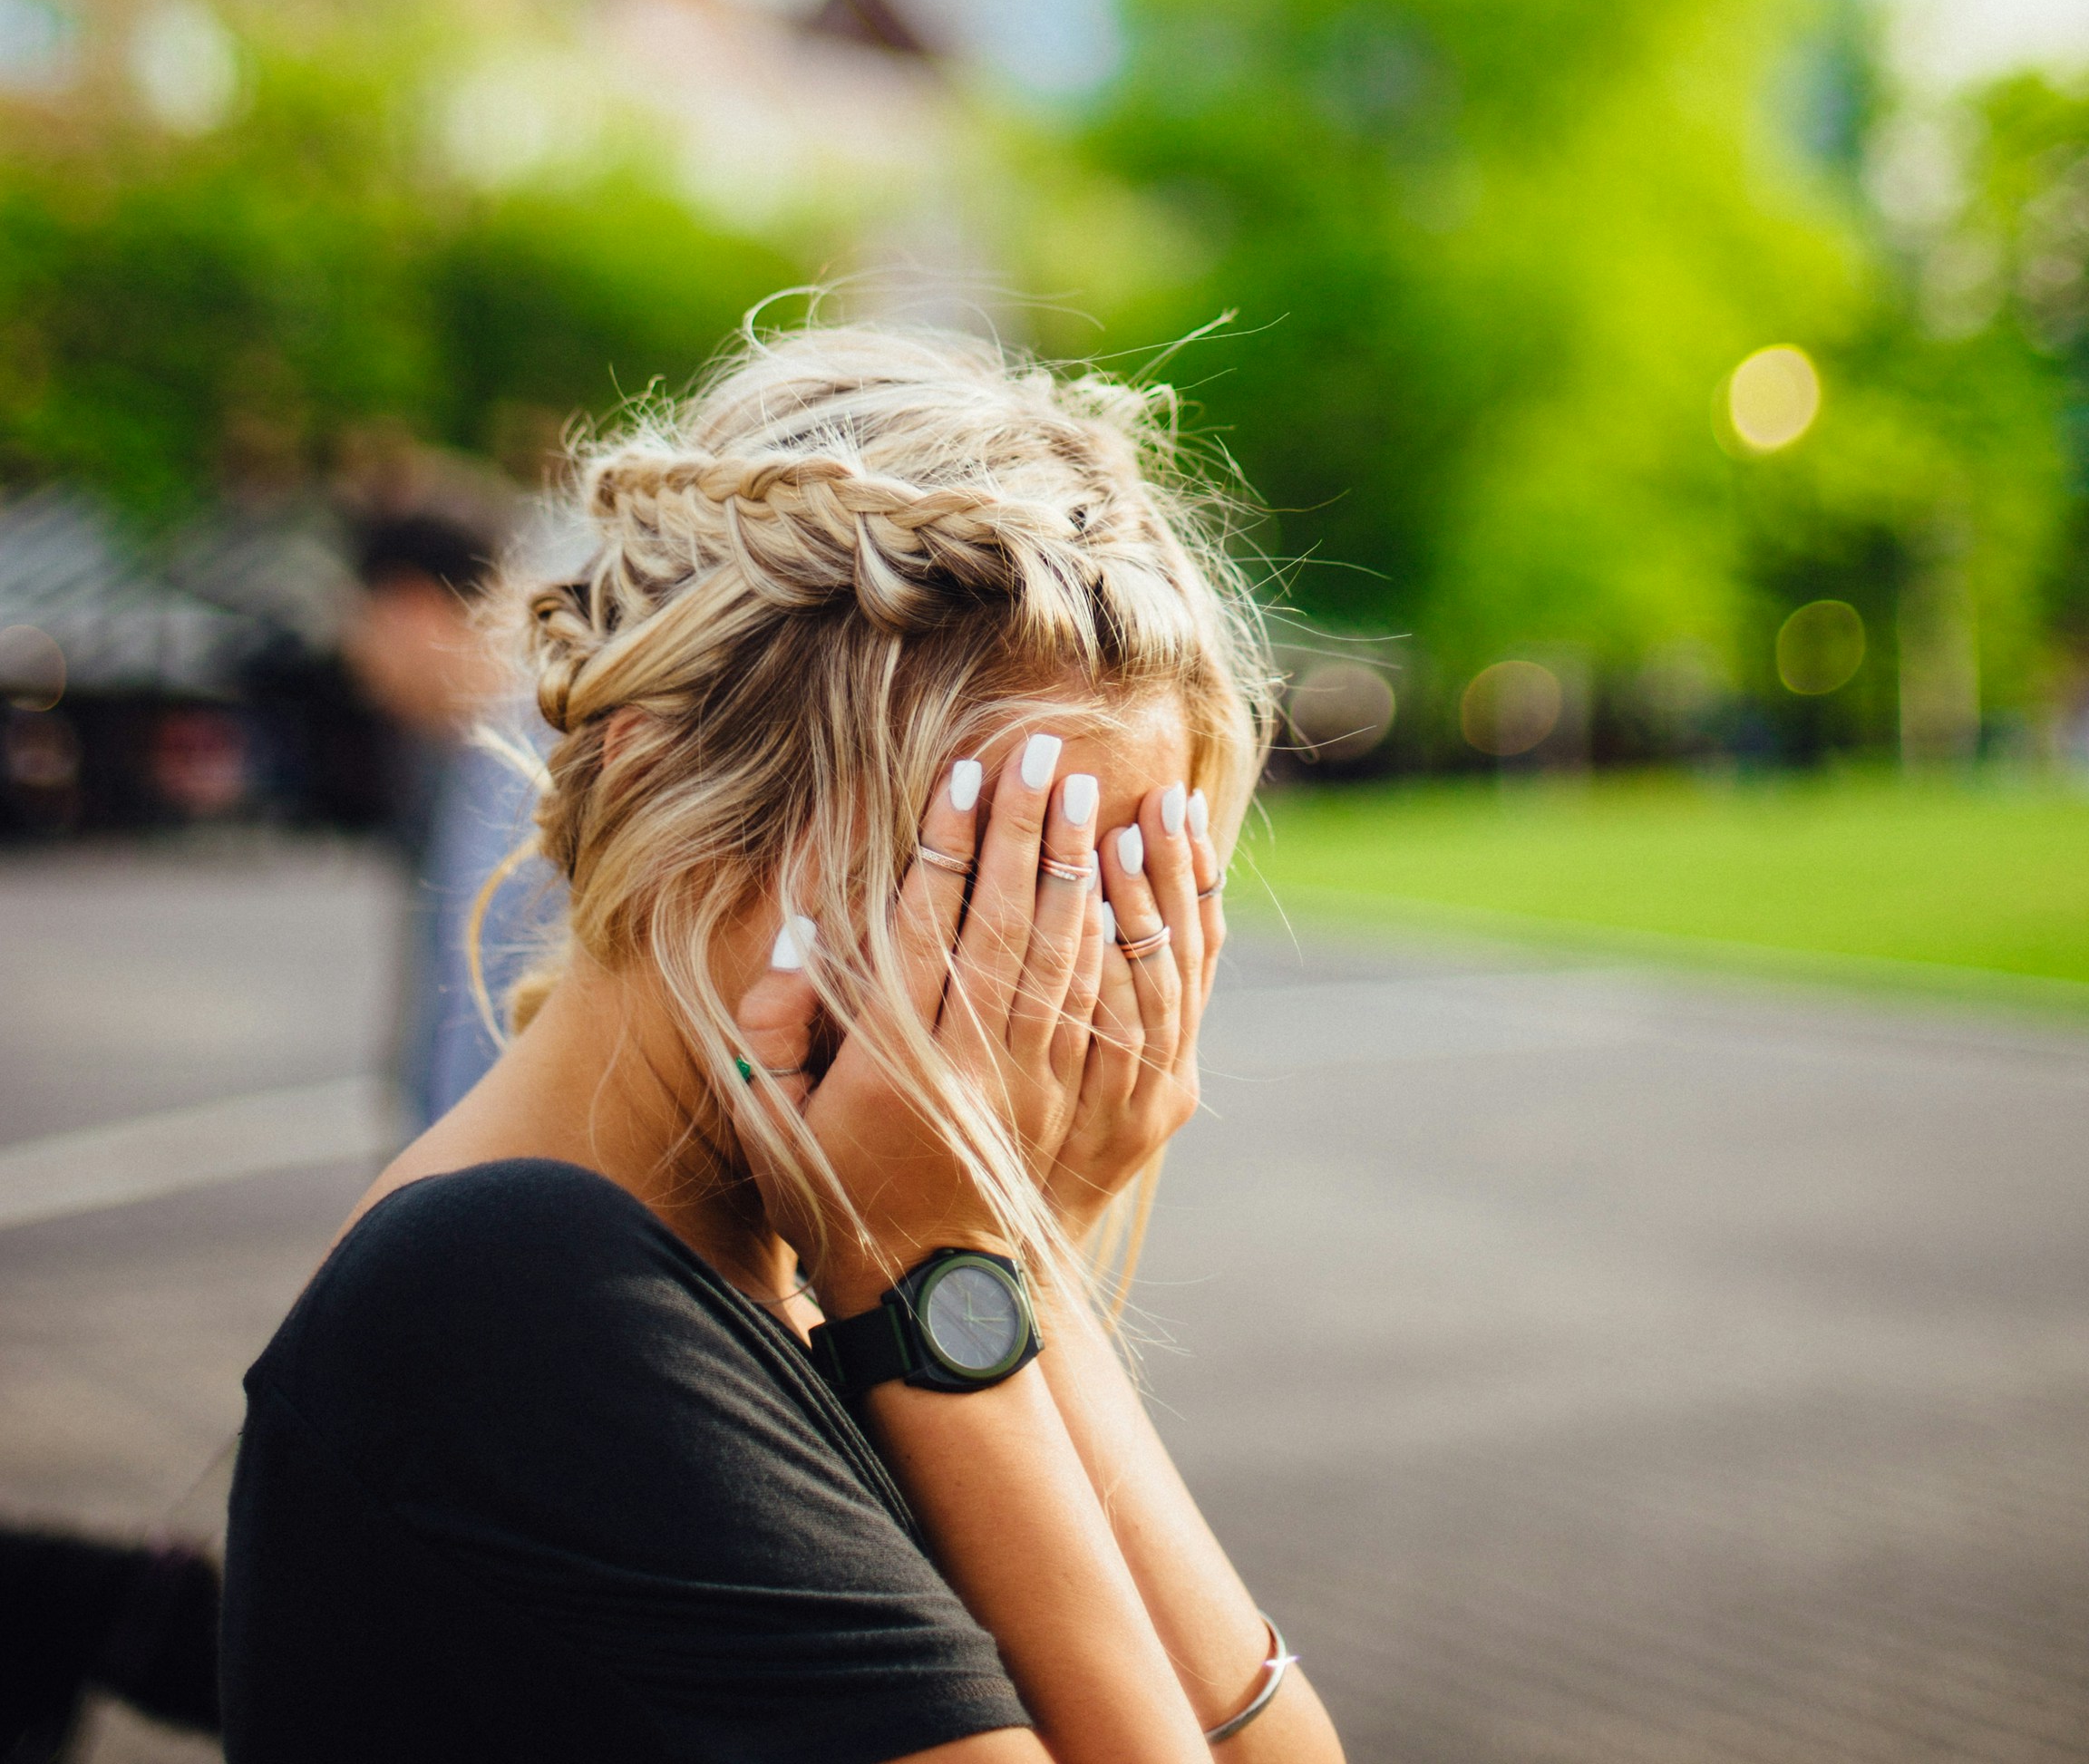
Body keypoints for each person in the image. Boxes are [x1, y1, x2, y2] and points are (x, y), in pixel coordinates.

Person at [223, 324, 1344, 1764]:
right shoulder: (514, 1294)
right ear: (667, 786)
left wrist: (1014, 1269)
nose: (1059, 995)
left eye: (1124, 898)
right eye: (990, 881)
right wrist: (942, 1293)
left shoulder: (820, 1248)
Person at [344, 499, 538, 1123]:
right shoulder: (472, 759)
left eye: (361, 617)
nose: (356, 652)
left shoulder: (522, 778)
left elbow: (486, 1022)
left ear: (411, 605)